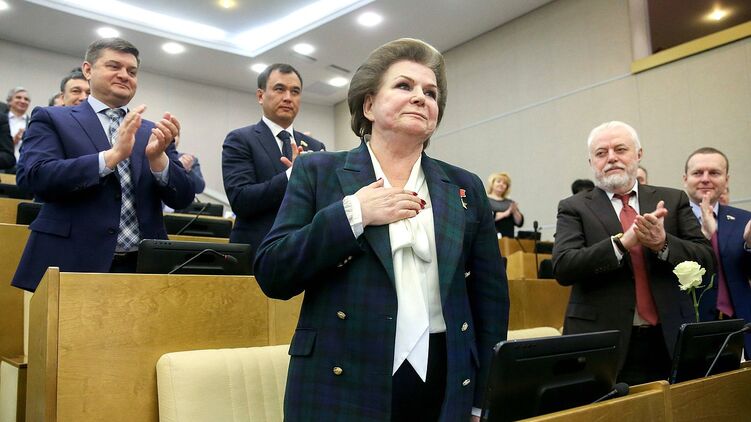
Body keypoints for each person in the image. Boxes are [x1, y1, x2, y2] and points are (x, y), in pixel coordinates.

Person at [254, 38, 508, 422]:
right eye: (404, 86)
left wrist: (482, 399)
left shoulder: (465, 187)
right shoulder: (318, 172)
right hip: (339, 379)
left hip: (445, 382)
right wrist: (353, 214)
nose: (421, 97)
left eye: (431, 93)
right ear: (369, 105)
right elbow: (273, 272)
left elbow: (490, 299)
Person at [11, 37, 194, 292]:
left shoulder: (152, 131)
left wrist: (158, 159)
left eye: (132, 71)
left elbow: (183, 198)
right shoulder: (52, 117)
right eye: (114, 66)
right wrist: (111, 157)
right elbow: (33, 177)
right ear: (88, 70)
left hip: (143, 269)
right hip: (71, 262)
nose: (124, 75)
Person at [552, 121, 713, 386]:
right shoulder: (573, 207)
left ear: (638, 154)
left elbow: (706, 259)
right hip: (602, 341)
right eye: (601, 153)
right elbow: (563, 266)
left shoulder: (673, 199)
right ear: (591, 162)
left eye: (620, 149)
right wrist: (621, 244)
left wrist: (663, 243)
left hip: (669, 337)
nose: (611, 158)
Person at [222, 63, 325, 262]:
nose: (288, 97)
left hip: (304, 255)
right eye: (279, 89)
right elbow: (241, 200)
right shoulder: (240, 139)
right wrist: (293, 175)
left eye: (295, 91)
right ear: (260, 96)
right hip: (256, 254)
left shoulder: (315, 146)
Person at [683, 147, 751, 357]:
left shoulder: (744, 220)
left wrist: (750, 245)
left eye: (714, 173)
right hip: (693, 329)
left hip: (742, 326)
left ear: (726, 179)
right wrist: (706, 236)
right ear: (685, 179)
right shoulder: (669, 222)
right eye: (697, 173)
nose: (705, 179)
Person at [486, 171, 524, 238]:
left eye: (504, 183)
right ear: (492, 183)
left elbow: (519, 223)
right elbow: (487, 218)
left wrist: (515, 211)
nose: (501, 184)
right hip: (490, 237)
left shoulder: (510, 202)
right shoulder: (485, 200)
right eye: (498, 181)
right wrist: (507, 213)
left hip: (508, 239)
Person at [6, 86, 30, 161]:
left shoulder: (32, 123)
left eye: (26, 99)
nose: (22, 101)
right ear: (10, 101)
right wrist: (11, 142)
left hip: (24, 164)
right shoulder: (2, 121)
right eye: (18, 97)